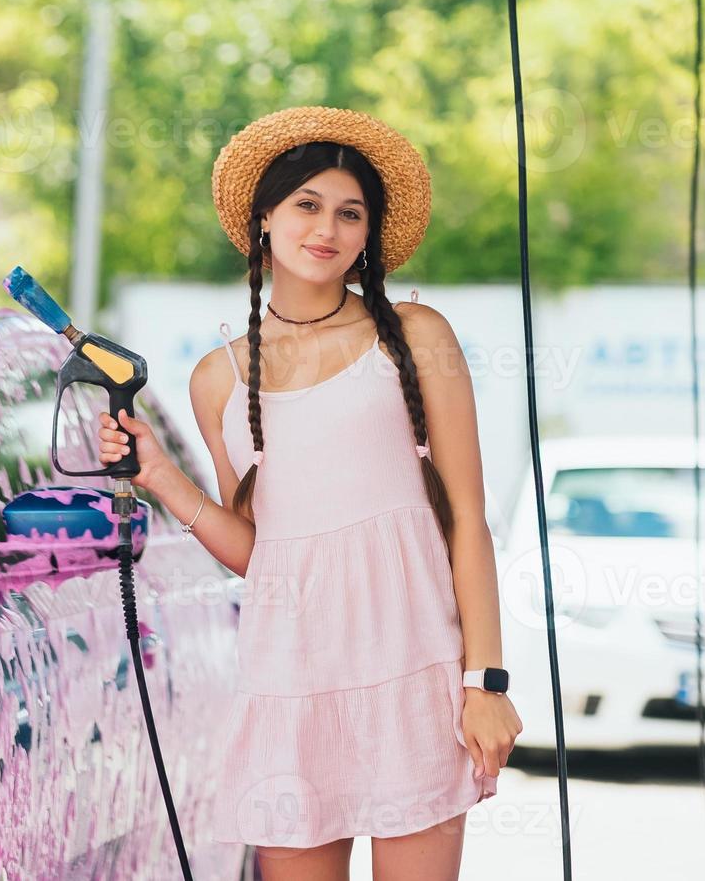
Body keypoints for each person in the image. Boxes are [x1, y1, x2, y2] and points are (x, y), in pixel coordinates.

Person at [96, 106, 521, 881]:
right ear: (264, 219)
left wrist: (483, 681)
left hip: (415, 678)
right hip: (288, 687)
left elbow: (465, 519)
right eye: (306, 204)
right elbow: (262, 554)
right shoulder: (217, 379)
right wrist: (159, 476)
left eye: (349, 213)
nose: (326, 227)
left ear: (368, 235)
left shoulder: (416, 336)